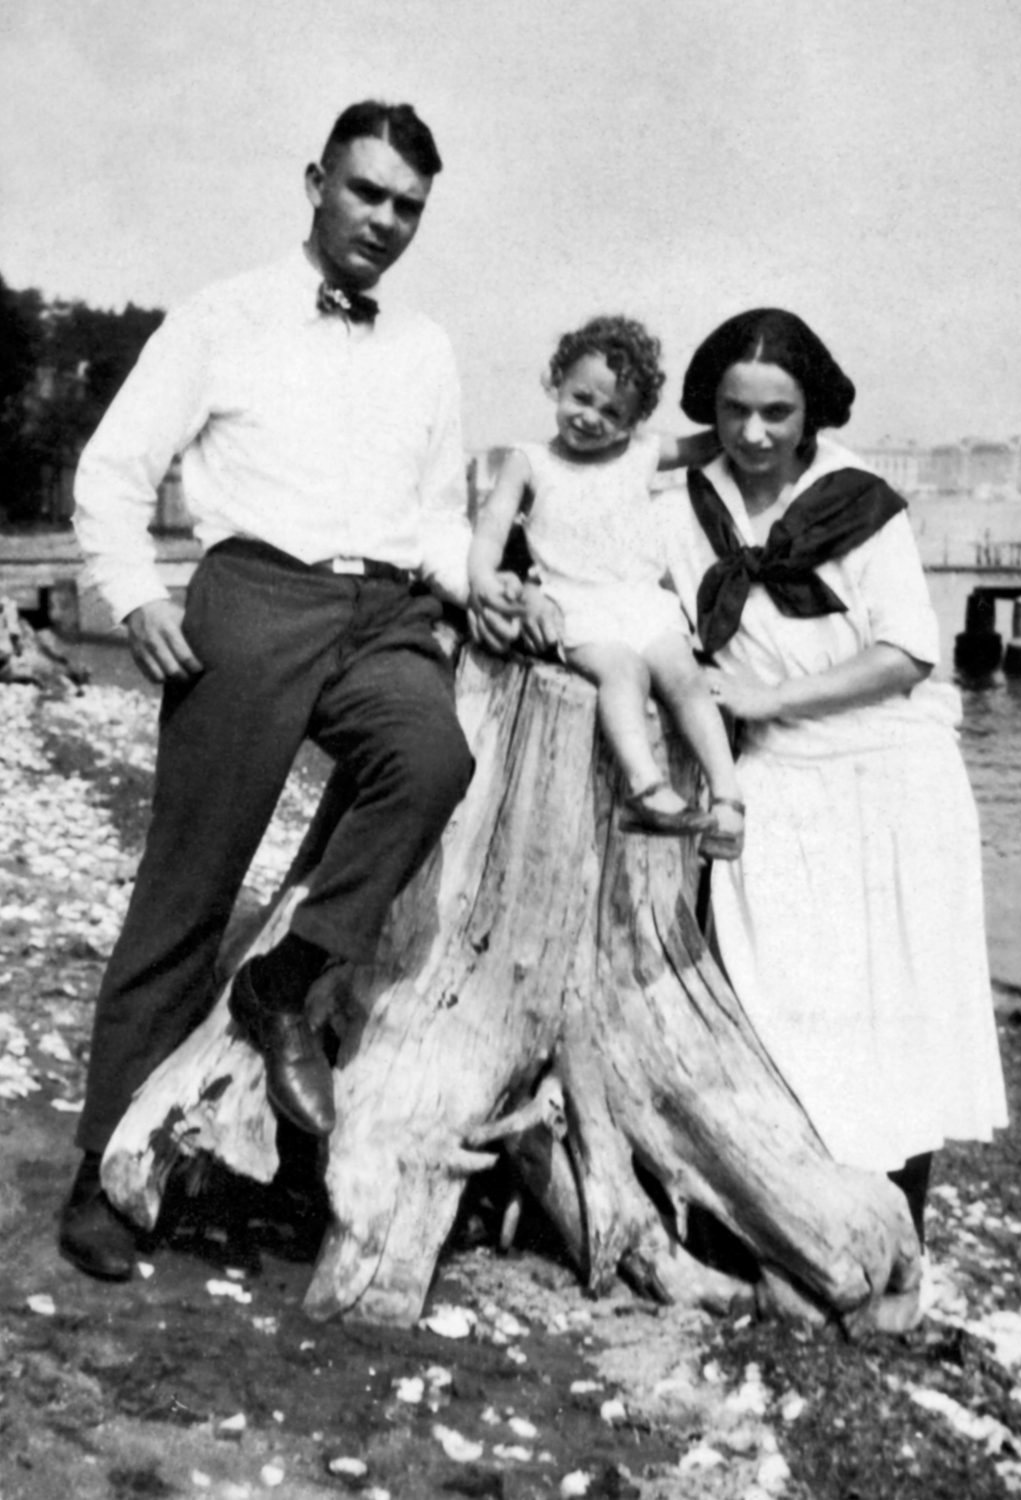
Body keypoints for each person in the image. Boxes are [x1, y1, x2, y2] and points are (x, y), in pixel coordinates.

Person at [61, 100, 516, 1282]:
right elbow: (113, 471)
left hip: (384, 613)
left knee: (432, 762)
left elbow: (435, 516)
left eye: (408, 206)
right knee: (185, 892)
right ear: (317, 182)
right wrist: (135, 595)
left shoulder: (425, 346)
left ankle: (288, 977)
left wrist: (482, 587)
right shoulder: (224, 315)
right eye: (367, 193)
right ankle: (109, 1177)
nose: (385, 221)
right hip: (252, 599)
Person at [667, 307, 1008, 1244]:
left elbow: (906, 651)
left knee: (890, 1013)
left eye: (778, 412)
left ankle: (893, 1240)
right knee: (780, 1003)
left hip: (891, 778)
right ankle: (783, 1229)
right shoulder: (688, 505)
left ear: (811, 410)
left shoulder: (858, 499)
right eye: (733, 411)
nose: (755, 434)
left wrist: (769, 699)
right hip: (780, 780)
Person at [469, 315, 744, 845]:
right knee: (623, 673)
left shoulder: (640, 454)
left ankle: (728, 797)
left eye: (613, 412)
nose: (591, 418)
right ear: (557, 382)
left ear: (635, 421)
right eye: (581, 398)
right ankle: (646, 787)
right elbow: (493, 525)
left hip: (641, 599)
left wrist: (739, 414)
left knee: (684, 676)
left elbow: (706, 445)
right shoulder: (529, 461)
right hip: (576, 603)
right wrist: (483, 573)